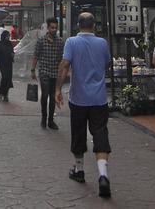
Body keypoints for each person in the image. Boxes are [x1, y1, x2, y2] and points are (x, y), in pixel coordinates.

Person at [56, 13, 112, 199]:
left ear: (78, 25)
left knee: (78, 132)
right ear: (94, 25)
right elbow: (106, 63)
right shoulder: (102, 43)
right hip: (99, 99)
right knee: (100, 133)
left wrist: (57, 90)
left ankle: (79, 170)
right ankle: (103, 175)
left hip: (78, 98)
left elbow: (65, 65)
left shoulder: (71, 42)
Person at [32, 17, 64, 130]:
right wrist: (32, 70)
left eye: (55, 28)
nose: (54, 30)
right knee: (45, 95)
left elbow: (62, 59)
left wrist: (63, 72)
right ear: (48, 28)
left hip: (55, 72)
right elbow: (36, 56)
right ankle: (43, 118)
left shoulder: (60, 42)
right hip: (44, 71)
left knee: (52, 95)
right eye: (52, 27)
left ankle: (51, 120)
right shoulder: (41, 41)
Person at [0, 30, 15, 101]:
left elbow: (12, 51)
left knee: (8, 79)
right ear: (4, 36)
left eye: (9, 36)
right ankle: (1, 91)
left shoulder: (9, 43)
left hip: (9, 63)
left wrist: (12, 54)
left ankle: (5, 94)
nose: (8, 37)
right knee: (5, 77)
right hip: (2, 63)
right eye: (7, 36)